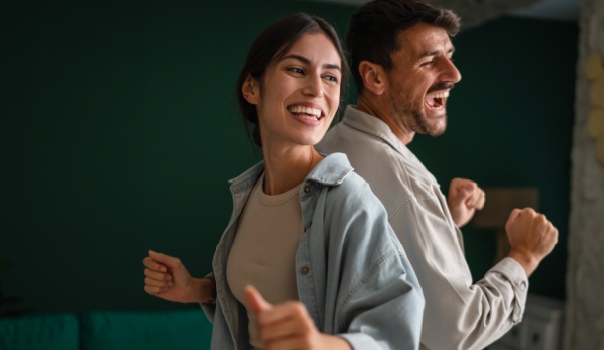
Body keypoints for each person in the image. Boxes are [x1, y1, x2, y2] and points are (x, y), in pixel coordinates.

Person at [142, 13, 424, 350]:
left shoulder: (348, 199)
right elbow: (265, 285)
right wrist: (196, 289)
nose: (316, 89)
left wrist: (320, 345)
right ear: (251, 88)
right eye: (297, 70)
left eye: (330, 77)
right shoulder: (250, 191)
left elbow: (395, 328)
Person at [316, 0, 560, 349]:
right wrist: (524, 255)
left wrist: (444, 219)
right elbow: (459, 331)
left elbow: (368, 263)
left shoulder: (330, 145)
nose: (454, 74)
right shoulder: (405, 186)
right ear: (374, 77)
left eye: (449, 55)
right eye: (429, 61)